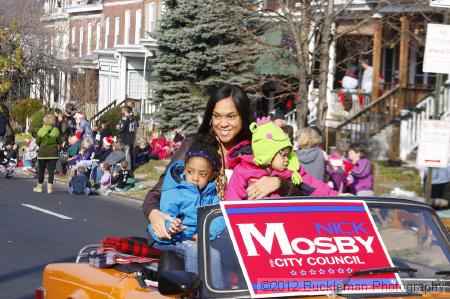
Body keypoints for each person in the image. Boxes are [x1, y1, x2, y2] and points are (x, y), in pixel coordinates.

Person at [143, 83, 342, 241]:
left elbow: (303, 190)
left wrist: (278, 183)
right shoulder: (194, 145)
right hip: (192, 239)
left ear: (244, 117)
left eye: (231, 116)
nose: (223, 124)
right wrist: (154, 214)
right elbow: (157, 193)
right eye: (217, 116)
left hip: (249, 243)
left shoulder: (260, 149)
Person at [148, 133, 225, 287]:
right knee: (196, 251)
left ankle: (215, 293)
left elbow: (220, 216)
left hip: (194, 239)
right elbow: (165, 217)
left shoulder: (211, 194)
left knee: (213, 254)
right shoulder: (175, 191)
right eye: (190, 172)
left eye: (202, 174)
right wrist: (172, 227)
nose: (195, 178)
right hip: (168, 238)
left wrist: (204, 234)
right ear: (185, 168)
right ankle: (193, 292)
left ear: (211, 176)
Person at [225, 118, 338, 201]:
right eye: (282, 155)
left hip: (282, 223)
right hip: (251, 223)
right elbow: (232, 198)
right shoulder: (243, 170)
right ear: (268, 155)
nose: (286, 160)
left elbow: (313, 185)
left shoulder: (290, 170)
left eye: (287, 155)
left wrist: (337, 196)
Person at [34, 114, 61, 194]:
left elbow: (37, 142)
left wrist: (42, 145)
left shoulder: (40, 130)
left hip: (42, 153)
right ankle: (50, 188)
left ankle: (39, 187)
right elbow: (59, 141)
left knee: (41, 170)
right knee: (51, 171)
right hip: (53, 153)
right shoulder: (56, 130)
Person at [117, 106, 137, 170]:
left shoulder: (125, 118)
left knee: (126, 155)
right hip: (132, 138)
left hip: (125, 139)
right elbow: (136, 127)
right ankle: (131, 167)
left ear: (125, 110)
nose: (122, 111)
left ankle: (127, 169)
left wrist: (118, 128)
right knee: (130, 154)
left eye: (123, 110)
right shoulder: (133, 118)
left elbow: (122, 129)